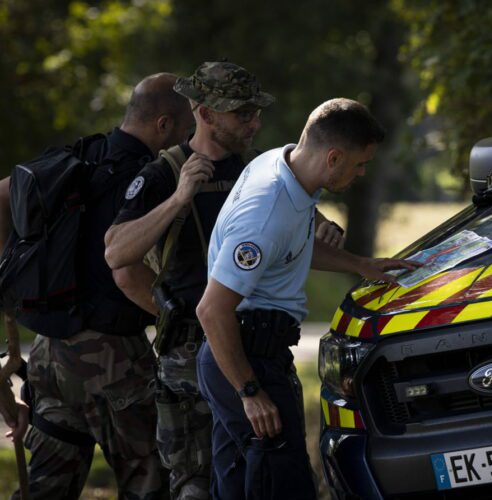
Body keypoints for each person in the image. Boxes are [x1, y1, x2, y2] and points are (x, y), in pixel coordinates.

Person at [103, 62, 345, 500]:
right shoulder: (164, 173)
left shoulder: (263, 171)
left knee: (266, 475)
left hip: (253, 349)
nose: (254, 123)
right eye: (241, 114)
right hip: (189, 360)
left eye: (256, 112)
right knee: (197, 487)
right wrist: (179, 197)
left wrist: (340, 248)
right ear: (204, 112)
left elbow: (297, 244)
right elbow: (117, 254)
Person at [195, 98, 418, 499]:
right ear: (333, 157)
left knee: (238, 487)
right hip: (244, 357)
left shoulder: (281, 167)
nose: (361, 173)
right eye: (359, 164)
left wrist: (359, 264)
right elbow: (211, 310)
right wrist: (250, 393)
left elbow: (293, 245)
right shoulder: (267, 211)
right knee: (281, 485)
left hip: (251, 353)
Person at [1, 72, 193, 499]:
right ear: (163, 124)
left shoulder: (79, 157)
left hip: (50, 352)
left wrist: (10, 282)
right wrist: (177, 320)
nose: (187, 138)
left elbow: (0, 197)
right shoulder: (150, 179)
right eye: (185, 128)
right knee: (150, 482)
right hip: (114, 359)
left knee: (47, 486)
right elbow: (125, 275)